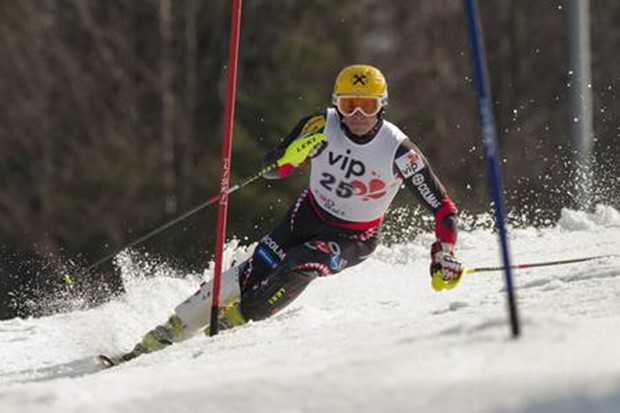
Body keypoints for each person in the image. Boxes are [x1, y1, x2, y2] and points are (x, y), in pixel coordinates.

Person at [98, 64, 463, 367]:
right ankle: (155, 342)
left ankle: (228, 327)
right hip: (305, 215)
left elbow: (443, 208)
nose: (356, 116)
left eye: (366, 106)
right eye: (348, 104)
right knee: (241, 278)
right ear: (337, 102)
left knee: (299, 263)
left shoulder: (399, 150)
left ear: (381, 106)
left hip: (353, 238)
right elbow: (270, 169)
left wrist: (443, 253)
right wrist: (293, 157)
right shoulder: (321, 124)